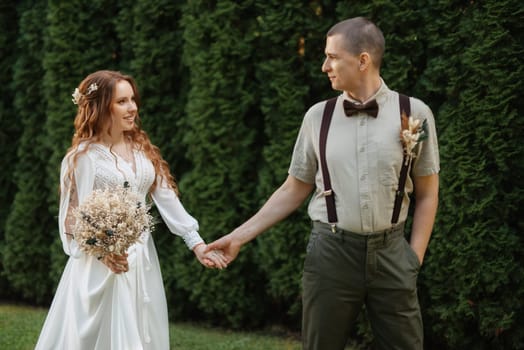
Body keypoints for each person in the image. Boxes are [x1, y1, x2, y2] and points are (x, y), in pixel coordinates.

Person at [207, 17, 439, 350]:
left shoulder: (414, 113)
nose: (324, 66)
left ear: (363, 60)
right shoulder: (318, 117)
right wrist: (238, 237)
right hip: (331, 253)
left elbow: (428, 194)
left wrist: (412, 260)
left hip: (392, 255)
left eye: (332, 57)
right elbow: (293, 188)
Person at [35, 70, 227, 350]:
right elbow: (72, 218)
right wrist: (104, 254)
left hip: (143, 259)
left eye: (132, 99)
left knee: (142, 331)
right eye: (122, 101)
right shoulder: (82, 158)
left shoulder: (141, 149)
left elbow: (166, 197)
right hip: (101, 268)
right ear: (101, 107)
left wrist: (196, 243)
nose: (133, 107)